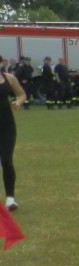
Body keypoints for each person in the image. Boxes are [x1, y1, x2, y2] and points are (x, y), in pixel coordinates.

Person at [0, 58, 28, 210]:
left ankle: (10, 199)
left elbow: (22, 94)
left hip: (6, 126)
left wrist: (18, 102)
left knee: (6, 160)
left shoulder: (9, 78)